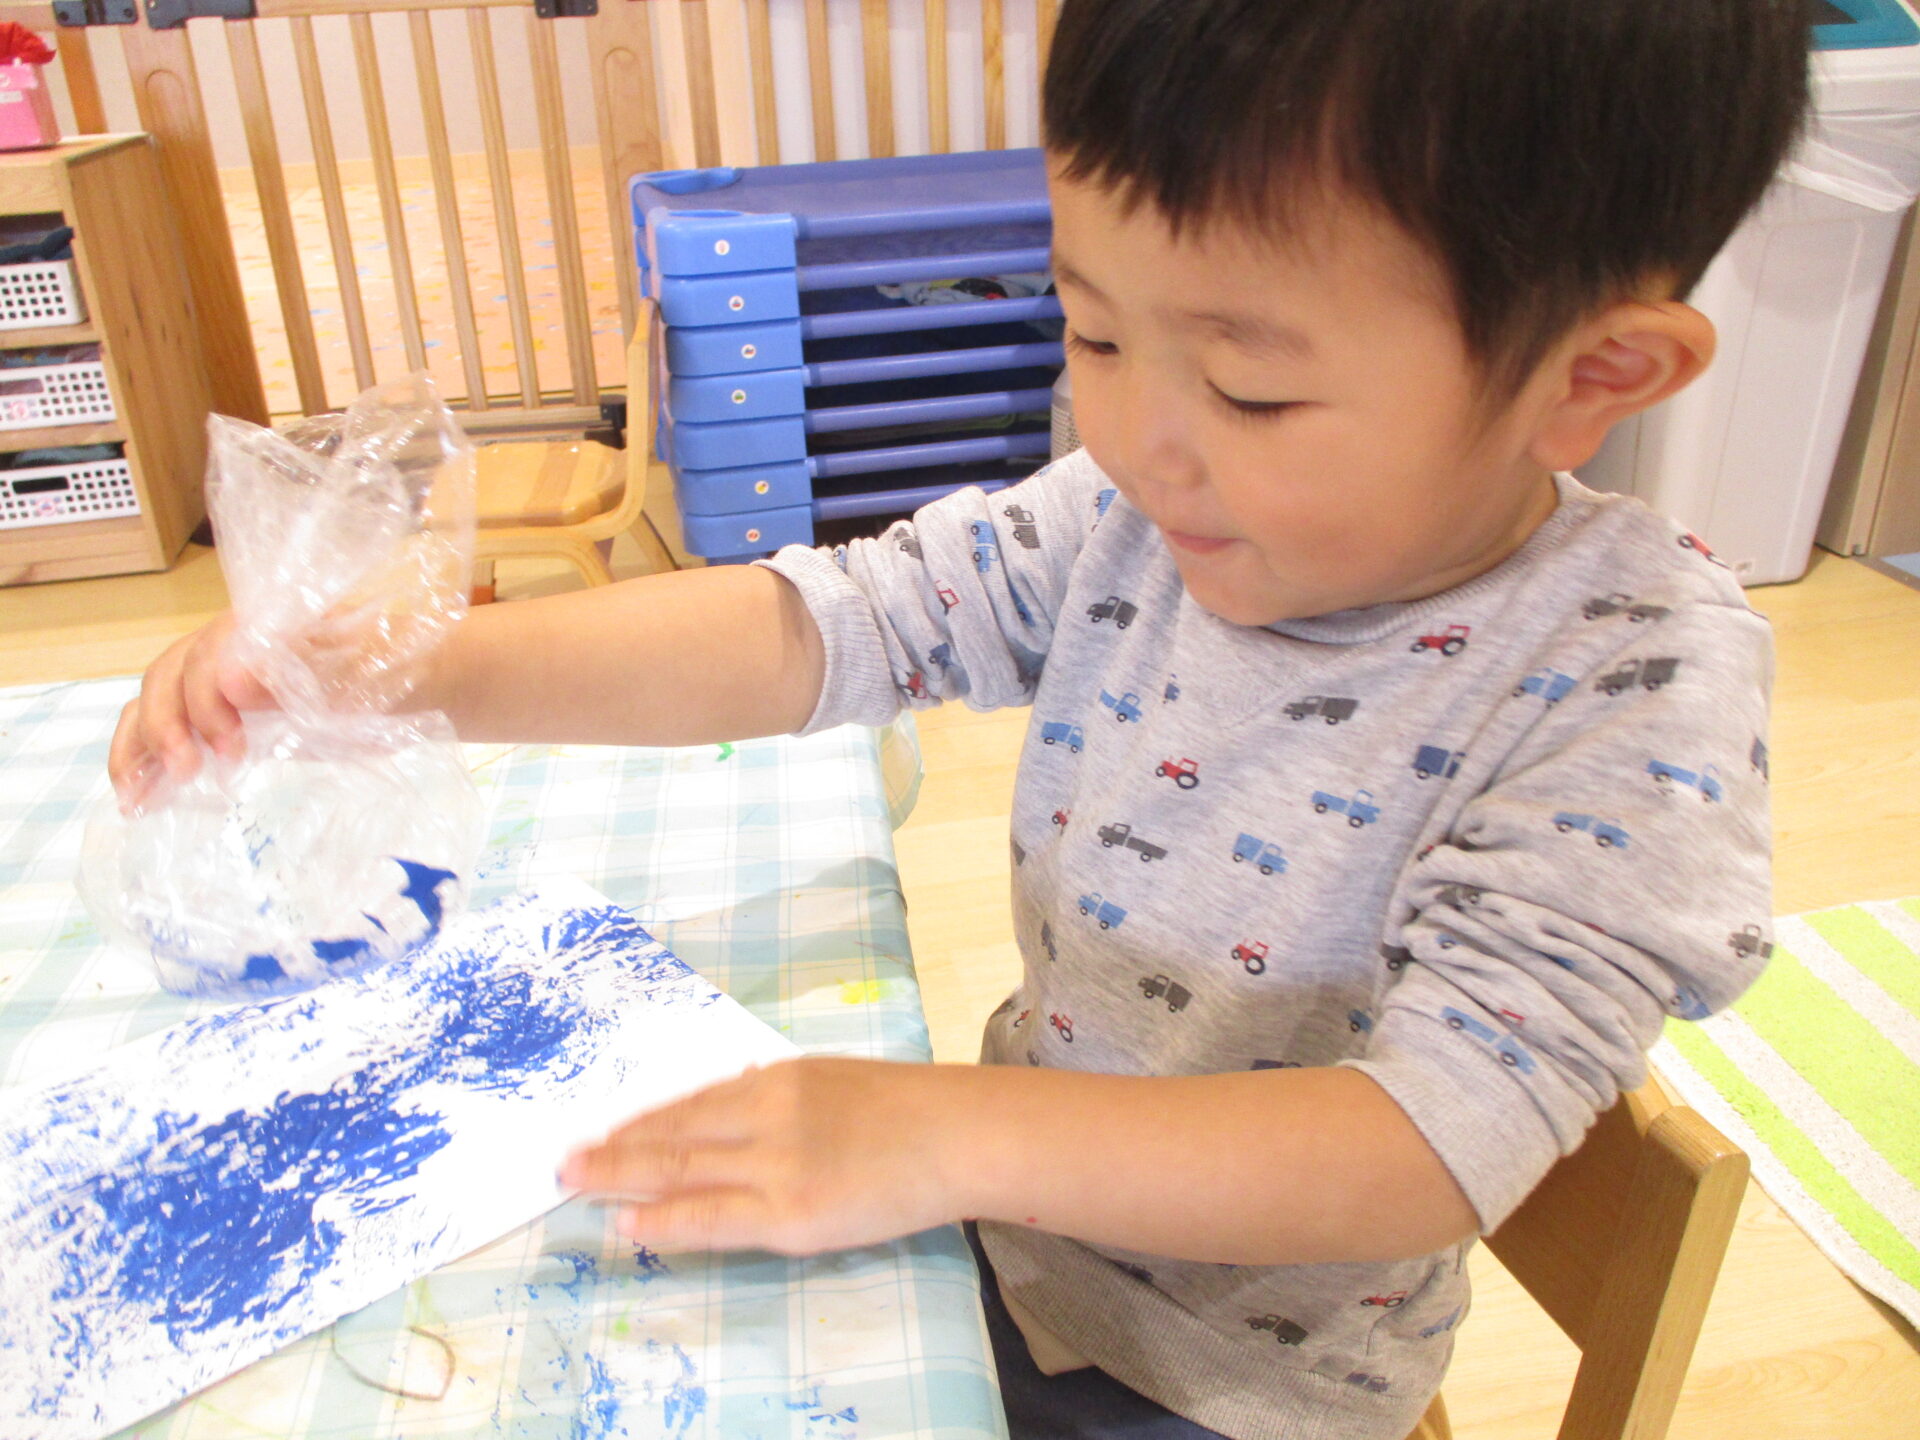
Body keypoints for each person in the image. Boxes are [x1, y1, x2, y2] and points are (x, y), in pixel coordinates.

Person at [111, 2, 1811, 1435]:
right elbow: (817, 628)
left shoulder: (1629, 679)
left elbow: (1429, 1140)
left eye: (1250, 386)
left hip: (1230, 1390)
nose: (1135, 435)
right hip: (998, 1242)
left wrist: (938, 1131)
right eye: (1094, 330)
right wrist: (423, 667)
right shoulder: (1136, 516)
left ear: (1591, 378)